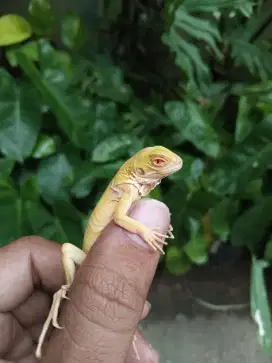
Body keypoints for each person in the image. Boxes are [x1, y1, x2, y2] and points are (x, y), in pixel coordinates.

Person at [0, 198, 170, 363]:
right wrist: (144, 230)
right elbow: (119, 218)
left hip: (94, 257)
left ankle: (67, 290)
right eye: (158, 165)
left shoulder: (133, 190)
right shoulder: (128, 187)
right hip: (95, 259)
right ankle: (67, 287)